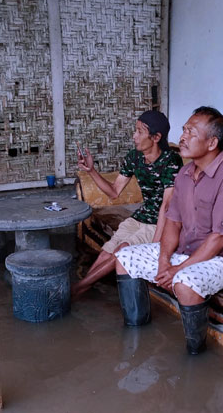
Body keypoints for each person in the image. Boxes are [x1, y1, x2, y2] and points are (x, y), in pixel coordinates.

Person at [114, 106, 223, 355]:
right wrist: (164, 261)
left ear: (211, 143)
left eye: (191, 131)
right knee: (125, 257)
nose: (183, 137)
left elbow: (220, 238)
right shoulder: (185, 174)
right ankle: (136, 336)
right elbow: (173, 222)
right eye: (184, 129)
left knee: (184, 283)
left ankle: (195, 352)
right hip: (185, 254)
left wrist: (176, 270)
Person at [72, 110, 183, 298]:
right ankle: (82, 289)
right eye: (135, 130)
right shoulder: (134, 157)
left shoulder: (171, 161)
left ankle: (76, 290)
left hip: (160, 223)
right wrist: (91, 170)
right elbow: (114, 192)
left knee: (121, 250)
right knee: (107, 250)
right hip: (141, 216)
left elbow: (167, 205)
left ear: (156, 137)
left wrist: (156, 243)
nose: (134, 136)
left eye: (140, 131)